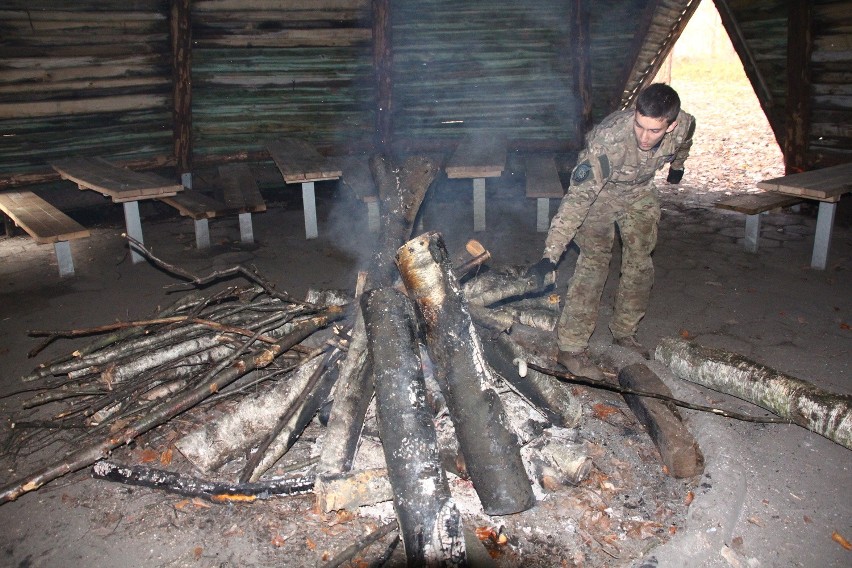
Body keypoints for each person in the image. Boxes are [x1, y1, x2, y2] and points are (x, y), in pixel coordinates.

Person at [526, 83, 695, 379]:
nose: (644, 137)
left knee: (640, 262)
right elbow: (578, 200)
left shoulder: (685, 125)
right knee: (594, 262)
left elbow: (685, 142)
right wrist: (549, 256)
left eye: (654, 131)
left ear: (671, 125)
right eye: (639, 126)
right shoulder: (610, 140)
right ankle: (571, 348)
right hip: (600, 195)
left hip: (638, 192)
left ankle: (625, 333)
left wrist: (677, 165)